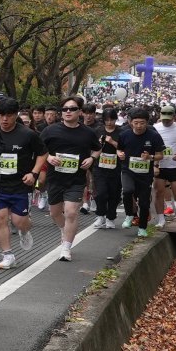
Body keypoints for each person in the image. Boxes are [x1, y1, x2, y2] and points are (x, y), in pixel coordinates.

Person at [38, 95, 99, 261]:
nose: (68, 112)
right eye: (65, 109)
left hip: (76, 179)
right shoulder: (50, 131)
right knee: (54, 212)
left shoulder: (88, 132)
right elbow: (39, 149)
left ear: (79, 111)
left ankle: (66, 248)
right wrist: (49, 157)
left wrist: (91, 158)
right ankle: (64, 230)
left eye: (72, 109)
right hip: (55, 178)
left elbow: (97, 149)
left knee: (71, 212)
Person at [0, 97, 42, 270]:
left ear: (16, 115)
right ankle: (8, 255)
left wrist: (33, 173)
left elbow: (43, 154)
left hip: (21, 184)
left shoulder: (28, 134)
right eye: (1, 115)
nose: (4, 119)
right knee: (0, 219)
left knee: (19, 221)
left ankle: (24, 230)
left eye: (9, 115)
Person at [117, 108, 164, 239]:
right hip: (128, 170)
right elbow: (119, 149)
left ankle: (142, 228)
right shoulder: (124, 135)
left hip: (145, 173)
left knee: (144, 202)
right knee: (127, 191)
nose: (139, 126)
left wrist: (150, 157)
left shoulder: (153, 136)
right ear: (130, 122)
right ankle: (129, 215)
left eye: (142, 123)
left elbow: (161, 155)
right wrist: (119, 154)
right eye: (136, 122)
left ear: (147, 122)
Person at [91, 108, 125, 229]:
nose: (109, 122)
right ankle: (100, 215)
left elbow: (125, 148)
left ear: (116, 119)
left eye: (112, 120)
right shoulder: (98, 131)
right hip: (99, 166)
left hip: (116, 167)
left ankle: (111, 217)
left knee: (114, 194)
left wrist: (112, 142)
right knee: (100, 193)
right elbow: (92, 146)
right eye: (106, 120)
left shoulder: (121, 132)